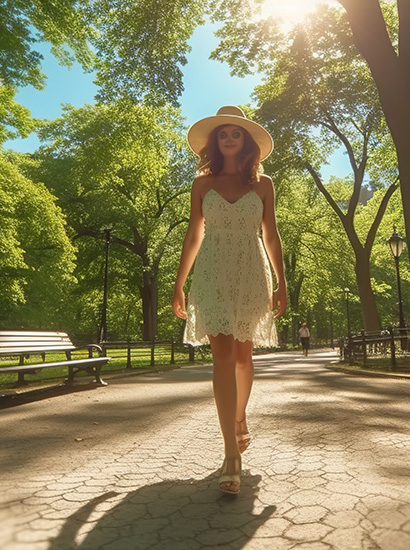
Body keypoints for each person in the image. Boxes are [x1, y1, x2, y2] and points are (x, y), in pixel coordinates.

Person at [172, 106, 287, 495]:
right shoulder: (202, 184)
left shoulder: (264, 184)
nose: (230, 138)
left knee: (243, 356)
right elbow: (193, 236)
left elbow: (271, 235)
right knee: (222, 355)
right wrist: (179, 283)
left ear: (247, 141)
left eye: (236, 133)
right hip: (212, 271)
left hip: (252, 271)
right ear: (215, 142)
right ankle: (230, 455)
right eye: (223, 134)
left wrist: (282, 282)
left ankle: (239, 419)